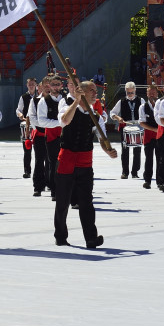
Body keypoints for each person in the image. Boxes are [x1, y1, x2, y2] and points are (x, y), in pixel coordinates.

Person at [54, 78, 117, 248]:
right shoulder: (67, 107)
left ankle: (91, 238)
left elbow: (102, 138)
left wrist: (108, 150)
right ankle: (60, 236)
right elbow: (64, 121)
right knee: (62, 202)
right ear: (82, 93)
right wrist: (76, 101)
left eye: (95, 91)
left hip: (85, 162)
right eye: (92, 91)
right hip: (67, 160)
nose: (96, 94)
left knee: (86, 202)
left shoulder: (96, 117)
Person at [35, 74, 65, 199]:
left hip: (67, 135)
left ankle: (66, 189)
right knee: (53, 163)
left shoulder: (67, 99)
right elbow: (42, 121)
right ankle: (54, 191)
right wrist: (61, 122)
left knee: (66, 163)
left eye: (58, 84)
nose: (55, 87)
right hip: (52, 136)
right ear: (49, 86)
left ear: (61, 85)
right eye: (53, 85)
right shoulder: (43, 101)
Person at [111, 81, 144, 180]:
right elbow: (112, 113)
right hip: (125, 127)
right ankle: (125, 172)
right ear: (125, 91)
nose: (130, 95)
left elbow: (146, 112)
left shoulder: (141, 100)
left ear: (135, 91)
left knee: (137, 150)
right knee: (125, 150)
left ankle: (135, 172)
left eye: (131, 92)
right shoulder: (121, 101)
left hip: (137, 127)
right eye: (128, 93)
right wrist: (118, 118)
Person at [140, 84, 164, 190]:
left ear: (157, 93)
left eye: (153, 93)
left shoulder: (161, 105)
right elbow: (142, 123)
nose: (152, 95)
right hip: (149, 137)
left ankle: (160, 182)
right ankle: (147, 180)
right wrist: (154, 129)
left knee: (160, 159)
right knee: (148, 159)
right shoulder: (143, 107)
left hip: (160, 136)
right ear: (147, 94)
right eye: (150, 93)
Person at [15, 77, 37, 179]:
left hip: (38, 125)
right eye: (29, 84)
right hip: (27, 125)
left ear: (36, 85)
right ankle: (27, 171)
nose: (31, 86)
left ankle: (39, 171)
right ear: (27, 85)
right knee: (27, 150)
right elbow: (18, 110)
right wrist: (20, 115)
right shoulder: (23, 97)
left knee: (39, 151)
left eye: (33, 84)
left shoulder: (40, 96)